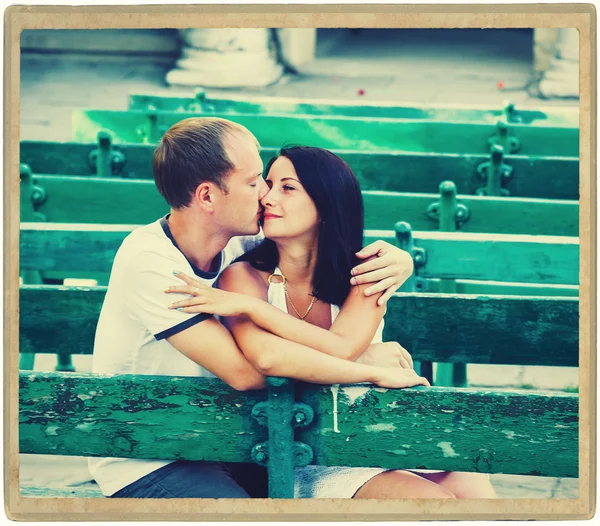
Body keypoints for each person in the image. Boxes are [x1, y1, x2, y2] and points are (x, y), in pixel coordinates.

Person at [88, 117, 427, 499]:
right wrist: (365, 363)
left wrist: (402, 262)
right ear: (207, 197)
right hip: (151, 454)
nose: (265, 193)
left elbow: (315, 240)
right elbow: (247, 371)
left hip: (230, 443)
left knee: (453, 486)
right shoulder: (151, 263)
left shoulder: (237, 243)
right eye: (254, 183)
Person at [165, 146, 498, 499]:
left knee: (474, 492)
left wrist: (254, 310)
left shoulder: (366, 273)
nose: (267, 196)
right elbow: (267, 358)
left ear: (326, 202)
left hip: (381, 433)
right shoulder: (242, 276)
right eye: (269, 184)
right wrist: (372, 370)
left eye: (287, 188)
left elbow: (341, 346)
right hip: (309, 453)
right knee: (436, 505)